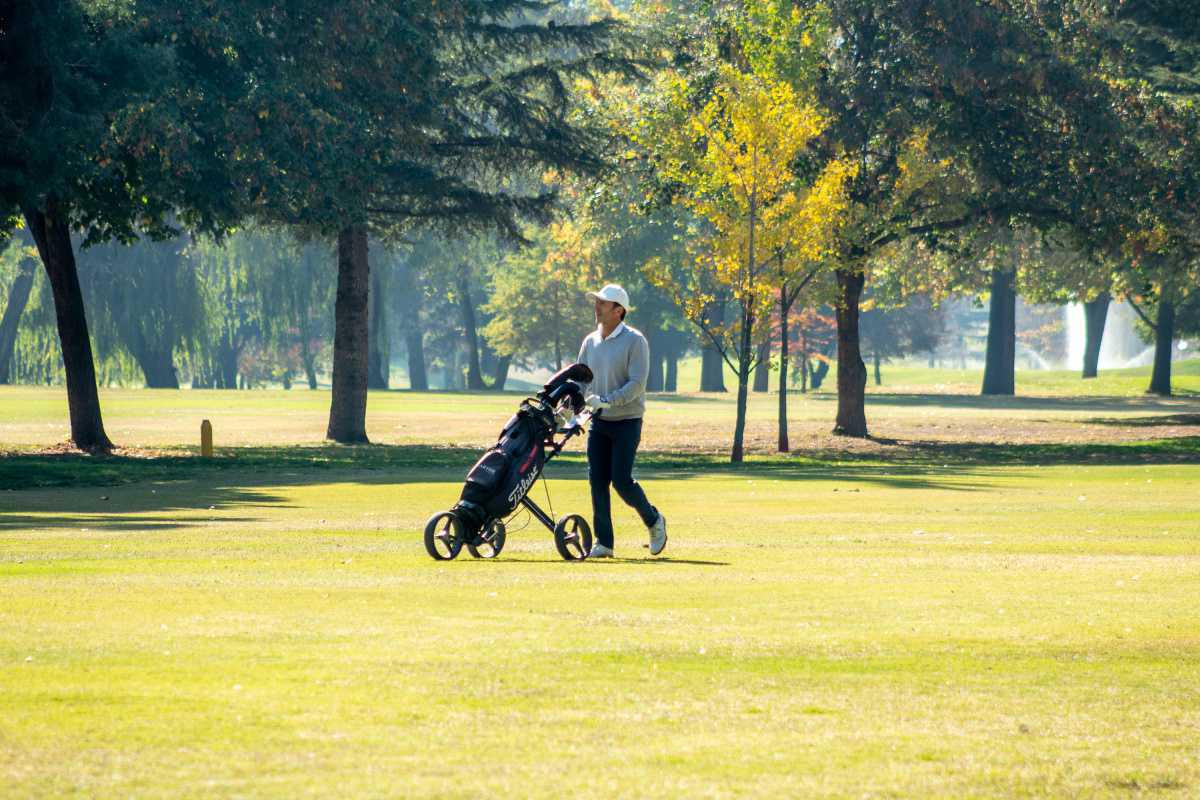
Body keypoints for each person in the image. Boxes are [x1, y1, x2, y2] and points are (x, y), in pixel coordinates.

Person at [575, 283, 667, 558]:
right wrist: (573, 407)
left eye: (603, 303)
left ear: (618, 310)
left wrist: (609, 400)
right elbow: (580, 380)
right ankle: (604, 543)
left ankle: (653, 520)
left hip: (627, 420)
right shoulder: (590, 341)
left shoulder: (635, 340)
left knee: (621, 481)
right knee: (597, 481)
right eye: (597, 302)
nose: (597, 307)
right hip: (599, 422)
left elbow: (637, 383)